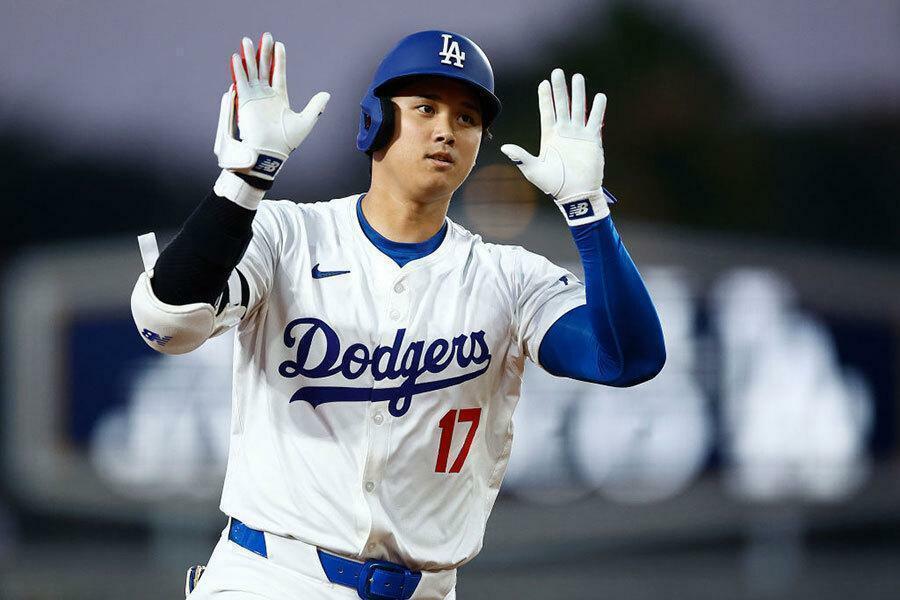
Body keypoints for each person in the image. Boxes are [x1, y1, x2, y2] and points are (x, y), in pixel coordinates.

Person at [131, 29, 665, 600]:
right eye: (425, 108)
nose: (445, 130)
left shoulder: (508, 278)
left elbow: (627, 358)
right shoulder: (288, 236)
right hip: (272, 577)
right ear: (375, 123)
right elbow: (169, 320)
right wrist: (242, 183)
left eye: (466, 119)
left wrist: (587, 214)